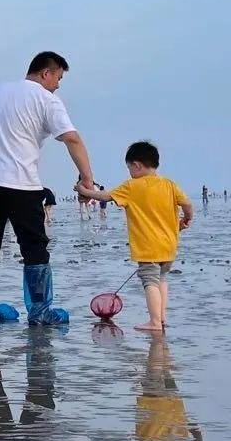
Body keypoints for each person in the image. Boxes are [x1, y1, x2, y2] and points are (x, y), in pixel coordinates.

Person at [0, 51, 94, 324]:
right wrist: (87, 179)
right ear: (46, 73)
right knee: (34, 247)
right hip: (22, 184)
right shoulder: (46, 99)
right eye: (58, 78)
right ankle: (40, 312)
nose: (58, 85)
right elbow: (72, 138)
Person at [76, 141, 192, 333]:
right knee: (162, 279)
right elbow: (187, 204)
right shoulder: (170, 184)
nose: (129, 172)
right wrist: (186, 219)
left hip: (148, 247)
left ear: (136, 165)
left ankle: (155, 322)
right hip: (169, 245)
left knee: (150, 281)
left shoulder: (132, 186)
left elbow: (105, 196)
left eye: (129, 168)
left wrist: (84, 191)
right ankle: (161, 317)